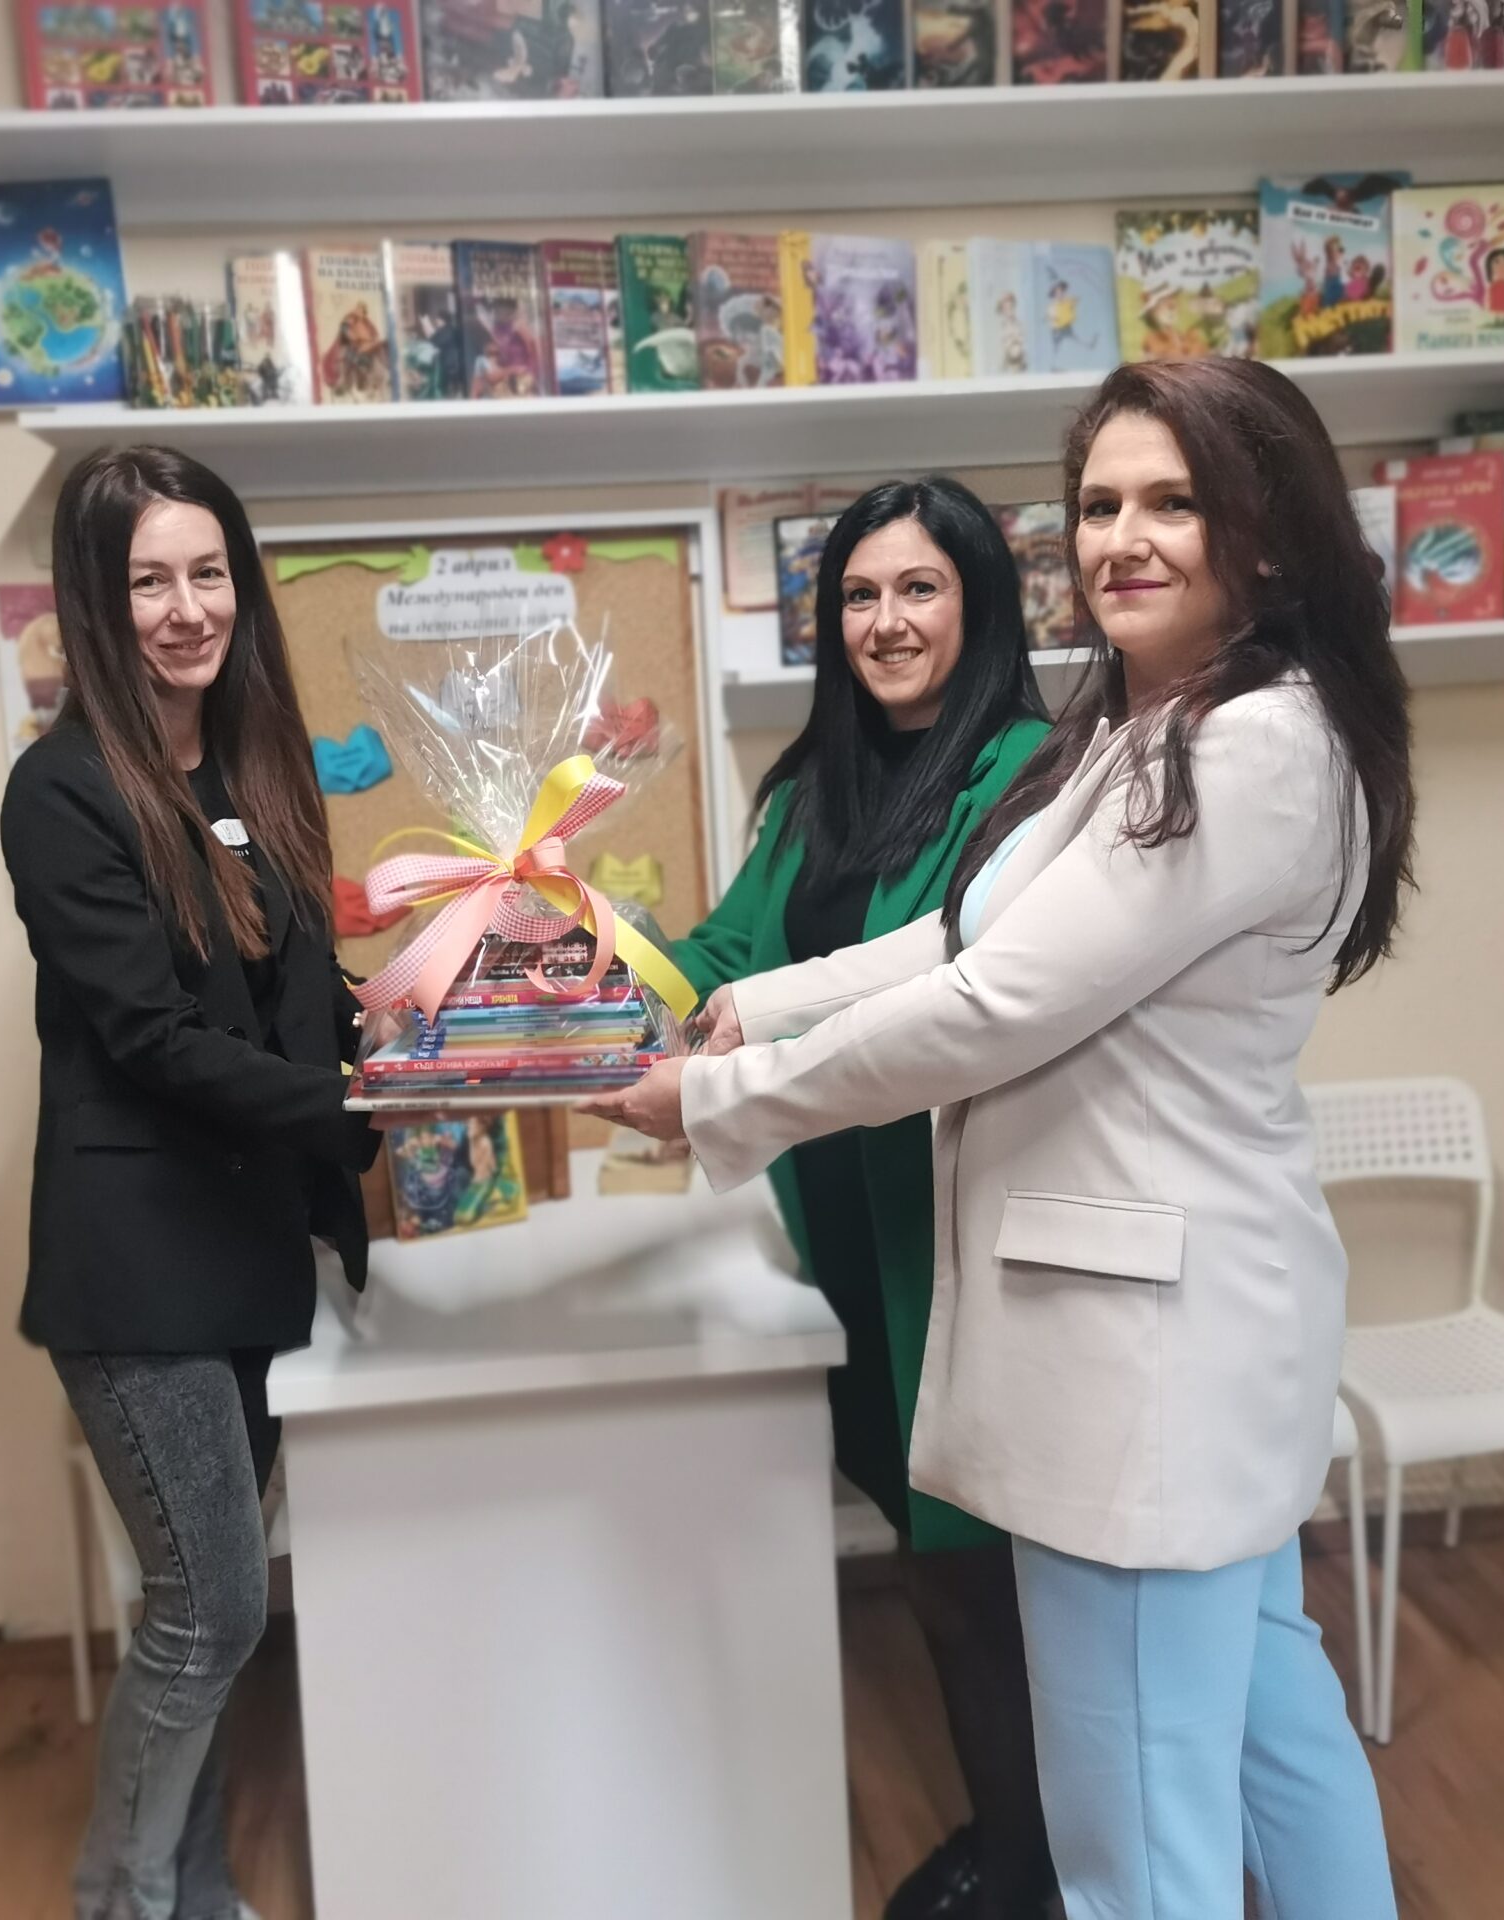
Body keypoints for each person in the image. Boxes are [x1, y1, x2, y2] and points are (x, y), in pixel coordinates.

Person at [590, 359, 1415, 1919]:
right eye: (1099, 504)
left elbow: (995, 1005)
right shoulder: (1148, 724)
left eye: (1173, 502)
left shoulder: (1245, 747)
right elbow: (965, 934)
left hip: (1142, 1361)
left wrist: (714, 1104)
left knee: (1134, 1853)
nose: (1122, 539)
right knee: (1274, 1744)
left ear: (1268, 529)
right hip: (1184, 1341)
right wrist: (749, 1010)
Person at [0, 444, 381, 1920]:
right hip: (139, 1266)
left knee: (205, 1616)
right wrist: (358, 1101)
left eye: (207, 572)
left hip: (249, 1249)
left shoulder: (251, 765)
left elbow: (291, 992)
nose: (186, 608)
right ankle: (121, 1898)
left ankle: (199, 1894)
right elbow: (154, 1039)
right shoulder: (61, 793)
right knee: (213, 1613)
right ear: (96, 604)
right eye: (147, 581)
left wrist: (409, 1023)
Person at [669, 477, 1053, 1920]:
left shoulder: (1029, 775)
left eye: (918, 589)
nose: (885, 622)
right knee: (929, 1549)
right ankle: (1018, 1837)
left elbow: (955, 988)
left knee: (979, 1575)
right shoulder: (812, 786)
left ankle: (1034, 1866)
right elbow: (729, 953)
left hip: (955, 1229)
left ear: (979, 604)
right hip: (837, 1215)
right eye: (858, 596)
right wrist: (581, 953)